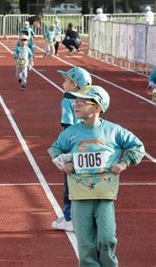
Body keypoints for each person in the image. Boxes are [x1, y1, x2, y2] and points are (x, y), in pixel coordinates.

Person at [48, 85, 145, 266]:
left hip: (104, 195)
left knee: (107, 239)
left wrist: (124, 162)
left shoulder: (114, 131)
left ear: (98, 107)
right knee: (85, 242)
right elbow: (55, 149)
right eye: (75, 101)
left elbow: (137, 146)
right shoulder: (70, 133)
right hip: (79, 195)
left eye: (81, 102)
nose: (75, 105)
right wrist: (64, 163)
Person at [51, 67, 92, 232]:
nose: (62, 82)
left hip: (74, 145)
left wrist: (64, 151)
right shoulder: (90, 99)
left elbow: (67, 126)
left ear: (74, 84)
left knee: (70, 183)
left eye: (66, 80)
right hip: (89, 143)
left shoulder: (68, 99)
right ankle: (82, 217)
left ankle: (70, 218)